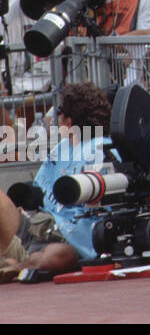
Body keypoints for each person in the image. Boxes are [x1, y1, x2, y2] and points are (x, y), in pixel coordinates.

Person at [0, 83, 117, 277]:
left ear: (68, 122)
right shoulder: (62, 147)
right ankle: (17, 263)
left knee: (60, 255)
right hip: (41, 226)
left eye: (60, 112)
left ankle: (18, 266)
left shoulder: (102, 151)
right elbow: (37, 193)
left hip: (73, 242)